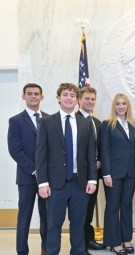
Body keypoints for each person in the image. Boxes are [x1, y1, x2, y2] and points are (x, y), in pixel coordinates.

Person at [36, 83, 97, 255]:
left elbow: (90, 154)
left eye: (72, 95)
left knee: (78, 224)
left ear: (77, 100)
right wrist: (43, 183)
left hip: (80, 183)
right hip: (55, 184)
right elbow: (40, 155)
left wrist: (92, 179)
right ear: (58, 98)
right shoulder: (47, 122)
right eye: (65, 94)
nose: (68, 98)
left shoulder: (85, 123)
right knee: (53, 225)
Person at [8, 83, 48, 255]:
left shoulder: (49, 119)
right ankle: (22, 251)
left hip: (47, 178)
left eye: (36, 94)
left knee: (47, 216)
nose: (33, 96)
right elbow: (15, 150)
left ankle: (46, 249)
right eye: (29, 94)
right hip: (27, 177)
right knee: (24, 217)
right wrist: (34, 169)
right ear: (23, 96)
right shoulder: (16, 121)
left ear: (42, 97)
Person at [101, 94, 135, 255]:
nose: (121, 106)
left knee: (127, 206)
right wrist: (106, 174)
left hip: (131, 172)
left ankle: (126, 238)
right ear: (114, 106)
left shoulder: (133, 125)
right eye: (117, 104)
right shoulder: (107, 124)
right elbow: (104, 151)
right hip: (114, 173)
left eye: (124, 103)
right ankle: (114, 242)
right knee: (112, 207)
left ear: (128, 106)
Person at [77, 87, 106, 254]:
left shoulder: (97, 122)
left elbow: (100, 147)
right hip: (80, 175)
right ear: (79, 100)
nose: (90, 102)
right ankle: (80, 245)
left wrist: (99, 161)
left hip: (94, 175)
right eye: (87, 98)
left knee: (88, 210)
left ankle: (88, 240)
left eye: (92, 99)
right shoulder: (74, 119)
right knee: (79, 211)